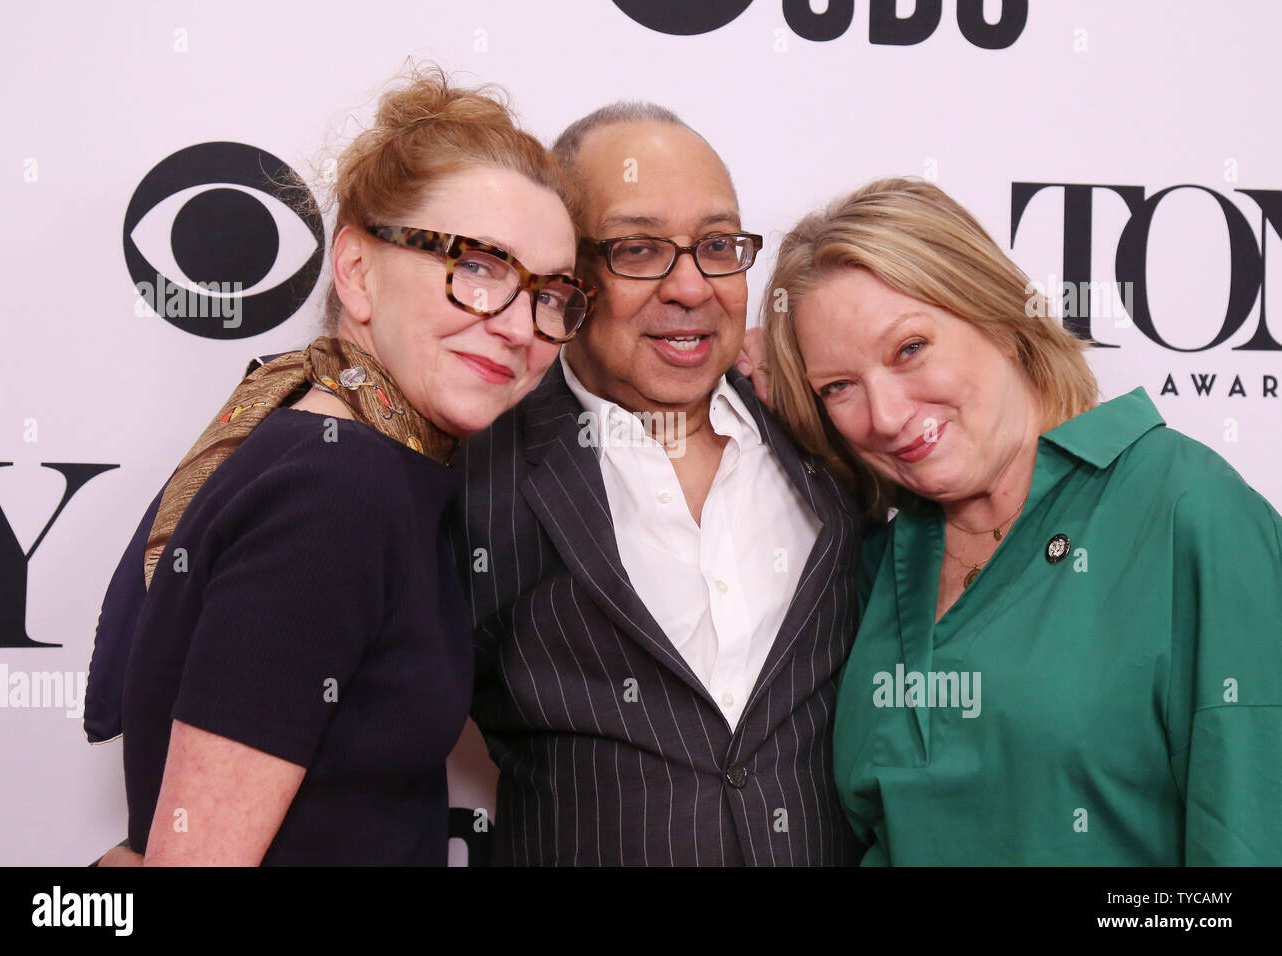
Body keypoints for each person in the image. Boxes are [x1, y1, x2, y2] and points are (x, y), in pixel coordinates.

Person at [93, 67, 592, 865]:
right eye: (478, 268)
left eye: (550, 295)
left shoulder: (365, 461)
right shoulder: (339, 487)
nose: (518, 326)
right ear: (357, 271)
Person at [760, 176, 1282, 865]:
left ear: (1001, 318)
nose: (883, 416)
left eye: (910, 348)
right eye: (839, 387)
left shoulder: (1189, 510)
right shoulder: (879, 561)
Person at [453, 104, 865, 866]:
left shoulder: (836, 431)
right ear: (566, 274)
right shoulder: (473, 472)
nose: (690, 287)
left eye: (717, 246)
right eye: (638, 249)